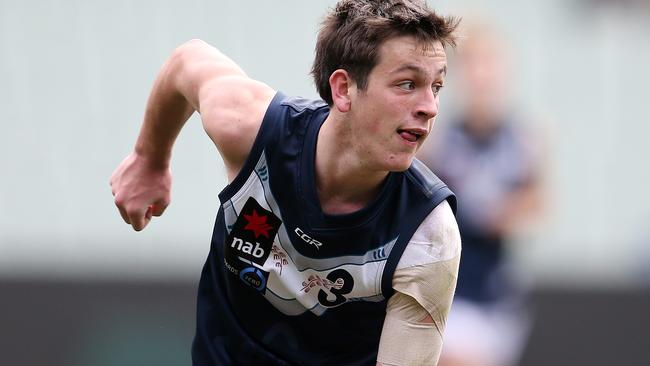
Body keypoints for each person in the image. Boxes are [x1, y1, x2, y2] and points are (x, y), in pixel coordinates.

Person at [110, 1, 461, 365]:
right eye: (407, 84)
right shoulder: (252, 130)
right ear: (343, 89)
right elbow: (188, 62)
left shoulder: (428, 238)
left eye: (436, 87)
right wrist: (149, 159)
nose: (430, 106)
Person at [419, 22, 544, 366]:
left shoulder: (522, 141)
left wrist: (506, 214)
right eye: (474, 67)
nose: (482, 77)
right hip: (452, 290)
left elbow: (537, 204)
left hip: (495, 291)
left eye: (489, 66)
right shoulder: (439, 142)